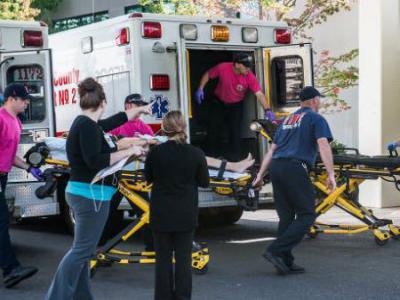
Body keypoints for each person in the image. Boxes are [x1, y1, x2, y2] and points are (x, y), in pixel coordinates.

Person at [45, 78, 149, 300]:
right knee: (82, 251)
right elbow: (96, 160)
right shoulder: (88, 127)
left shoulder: (88, 124)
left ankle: (82, 296)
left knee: (84, 250)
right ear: (103, 102)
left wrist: (139, 109)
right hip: (89, 196)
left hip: (86, 194)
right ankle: (56, 296)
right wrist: (129, 151)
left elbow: (114, 120)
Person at [253, 86, 336, 275]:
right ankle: (275, 250)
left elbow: (272, 151)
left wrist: (260, 175)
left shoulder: (286, 120)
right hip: (294, 168)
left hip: (277, 168)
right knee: (307, 215)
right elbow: (323, 145)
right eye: (319, 100)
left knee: (287, 217)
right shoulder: (316, 118)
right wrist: (331, 174)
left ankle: (284, 261)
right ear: (314, 100)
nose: (320, 103)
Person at [145, 111, 209, 300]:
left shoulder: (155, 153)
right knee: (183, 260)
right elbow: (204, 182)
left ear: (164, 129)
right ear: (183, 127)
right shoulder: (196, 153)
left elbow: (148, 178)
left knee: (162, 260)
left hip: (161, 213)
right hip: (185, 213)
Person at [0, 83, 42, 288]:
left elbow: (8, 154)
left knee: (2, 221)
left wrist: (29, 168)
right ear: (12, 98)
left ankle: (10, 269)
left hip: (3, 177)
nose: (27, 103)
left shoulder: (16, 122)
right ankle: (11, 269)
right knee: (1, 222)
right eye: (24, 99)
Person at [195, 52, 271, 161]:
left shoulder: (250, 77)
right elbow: (208, 75)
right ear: (237, 65)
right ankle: (211, 158)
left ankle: (235, 159)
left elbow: (259, 94)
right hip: (219, 102)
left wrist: (267, 109)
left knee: (235, 131)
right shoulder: (223, 68)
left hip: (236, 105)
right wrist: (200, 88)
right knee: (214, 129)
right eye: (246, 67)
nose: (248, 69)